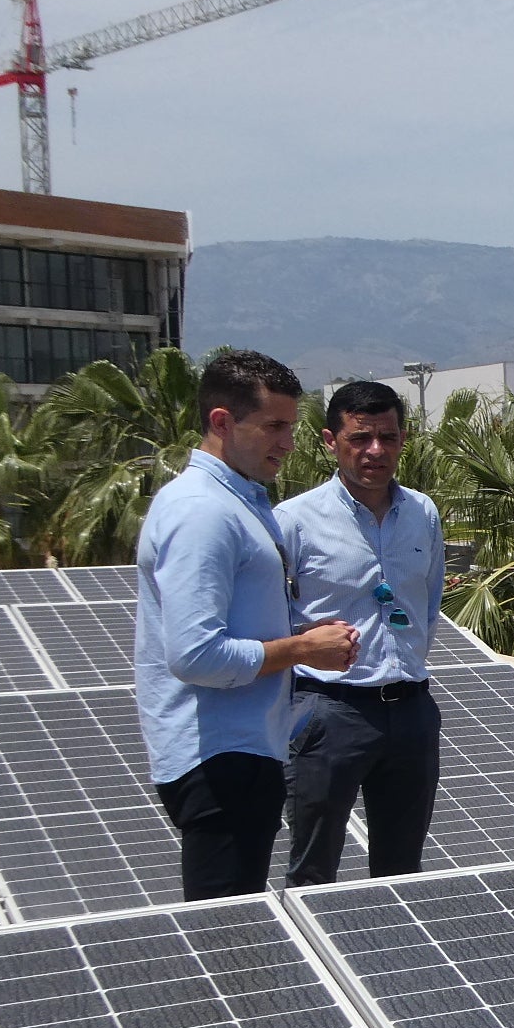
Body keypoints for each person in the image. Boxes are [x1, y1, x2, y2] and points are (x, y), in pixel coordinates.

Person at [135, 349, 357, 900]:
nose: (288, 442)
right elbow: (195, 655)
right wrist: (301, 649)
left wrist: (301, 641)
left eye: (292, 427)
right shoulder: (202, 511)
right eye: (273, 426)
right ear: (222, 422)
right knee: (228, 935)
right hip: (220, 756)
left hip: (244, 749)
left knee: (238, 928)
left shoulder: (235, 503)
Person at [278, 378, 446, 885]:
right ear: (331, 441)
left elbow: (428, 601)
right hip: (329, 712)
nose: (376, 450)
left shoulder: (422, 513)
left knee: (402, 871)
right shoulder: (294, 520)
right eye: (360, 438)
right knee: (314, 866)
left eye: (388, 437)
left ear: (402, 439)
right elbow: (276, 617)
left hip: (411, 709)